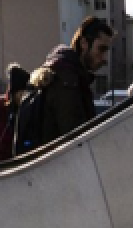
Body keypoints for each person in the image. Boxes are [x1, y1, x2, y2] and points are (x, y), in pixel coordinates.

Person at [28, 15, 114, 146]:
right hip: (61, 163)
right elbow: (76, 138)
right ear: (84, 43)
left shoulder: (70, 75)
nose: (104, 58)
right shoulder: (66, 80)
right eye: (101, 49)